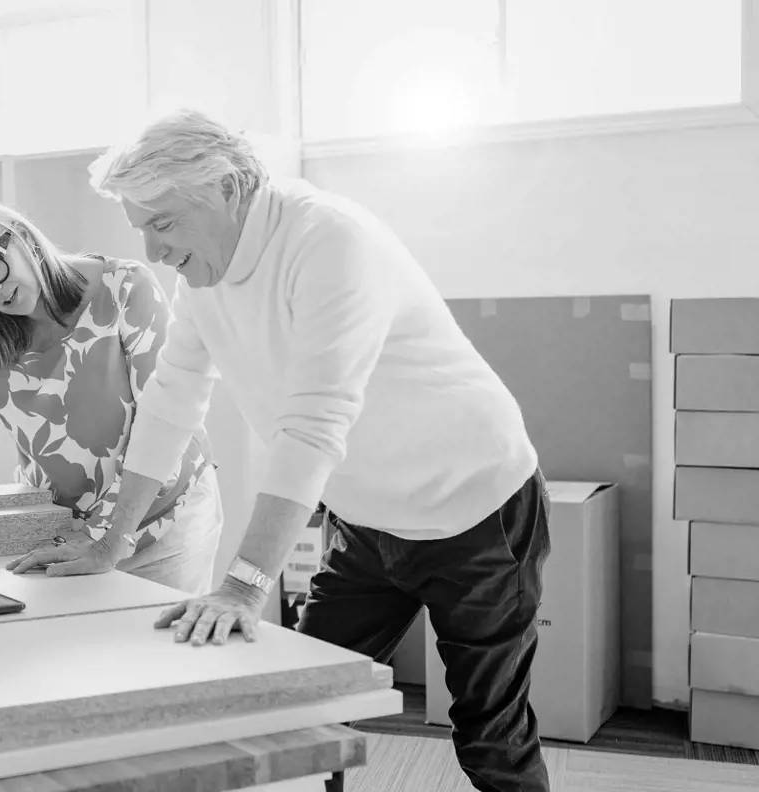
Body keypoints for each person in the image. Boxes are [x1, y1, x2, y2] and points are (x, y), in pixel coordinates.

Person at [31, 108, 551, 792]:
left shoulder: (328, 242)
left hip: (476, 511)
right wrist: (109, 540)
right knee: (300, 704)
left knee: (490, 731)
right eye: (142, 230)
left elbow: (313, 425)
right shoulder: (203, 280)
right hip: (368, 526)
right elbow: (170, 401)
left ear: (226, 189)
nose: (154, 252)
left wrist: (245, 585)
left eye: (163, 223)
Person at [0, 196, 224, 595]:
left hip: (167, 520)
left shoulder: (125, 289)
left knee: (157, 653)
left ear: (22, 238)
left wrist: (108, 539)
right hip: (72, 535)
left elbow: (166, 426)